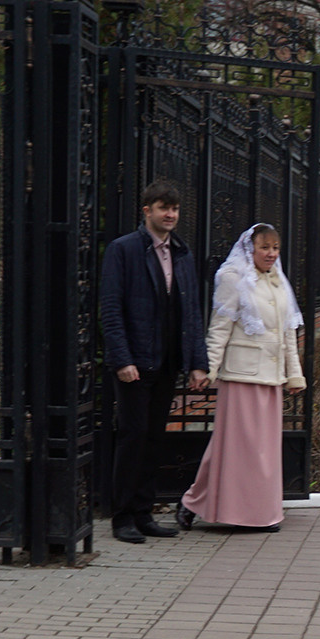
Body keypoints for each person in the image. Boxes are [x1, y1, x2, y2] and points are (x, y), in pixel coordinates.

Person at [100, 181, 210, 543]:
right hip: (135, 363)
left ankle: (144, 513)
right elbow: (111, 309)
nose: (170, 214)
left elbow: (191, 312)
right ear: (146, 211)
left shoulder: (181, 253)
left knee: (153, 439)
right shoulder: (124, 250)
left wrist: (197, 363)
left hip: (167, 362)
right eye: (164, 208)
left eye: (174, 209)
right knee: (132, 437)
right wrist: (122, 359)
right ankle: (122, 517)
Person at [178, 224, 305, 533]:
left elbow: (288, 333)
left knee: (262, 453)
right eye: (265, 247)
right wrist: (207, 369)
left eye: (275, 248)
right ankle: (206, 504)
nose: (271, 254)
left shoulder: (279, 282)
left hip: (271, 379)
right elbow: (219, 328)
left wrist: (294, 375)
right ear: (251, 249)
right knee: (236, 449)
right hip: (242, 378)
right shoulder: (233, 278)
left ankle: (251, 511)